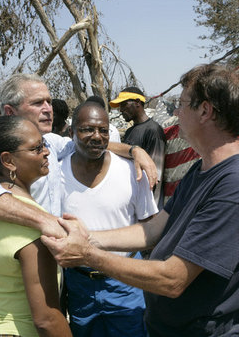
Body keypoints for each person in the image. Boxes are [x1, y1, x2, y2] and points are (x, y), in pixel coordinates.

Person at [42, 64, 239, 336]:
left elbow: (173, 279)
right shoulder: (202, 170)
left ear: (205, 111)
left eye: (182, 104)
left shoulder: (236, 184)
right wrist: (87, 237)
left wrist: (88, 255)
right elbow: (152, 230)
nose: (176, 112)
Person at [0, 73, 158, 239]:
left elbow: (87, 143)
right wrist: (46, 222)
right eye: (38, 103)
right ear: (10, 112)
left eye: (49, 101)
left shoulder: (51, 143)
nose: (48, 109)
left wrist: (134, 151)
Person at [0, 116, 72, 337]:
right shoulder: (34, 222)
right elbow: (47, 319)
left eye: (44, 144)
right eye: (36, 148)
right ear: (8, 160)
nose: (46, 152)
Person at [60, 100, 157, 336]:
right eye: (87, 129)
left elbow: (149, 231)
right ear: (72, 132)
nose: (96, 136)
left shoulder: (132, 173)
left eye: (103, 130)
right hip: (78, 285)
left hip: (126, 282)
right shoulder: (55, 174)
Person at [110, 87, 166, 208]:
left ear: (137, 102)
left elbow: (155, 174)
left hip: (147, 203)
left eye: (124, 104)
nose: (121, 110)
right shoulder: (130, 131)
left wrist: (150, 208)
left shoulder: (153, 130)